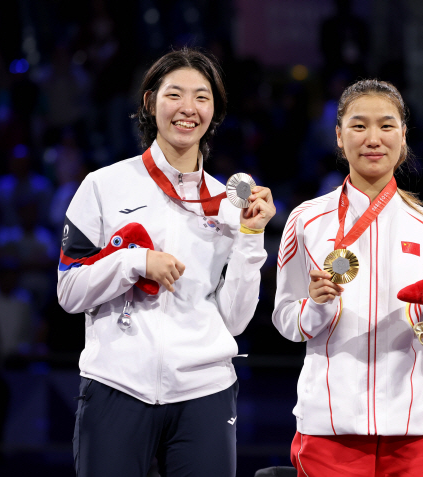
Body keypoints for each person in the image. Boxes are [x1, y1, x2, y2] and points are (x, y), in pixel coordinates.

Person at [57, 48, 275, 477]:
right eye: (175, 95)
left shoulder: (230, 205)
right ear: (150, 102)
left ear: (215, 111)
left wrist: (252, 238)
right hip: (116, 384)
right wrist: (134, 262)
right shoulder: (103, 186)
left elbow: (233, 321)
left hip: (205, 390)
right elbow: (69, 292)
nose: (188, 109)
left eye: (202, 97)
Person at [273, 79, 423, 477]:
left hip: (414, 425)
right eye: (359, 126)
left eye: (386, 126)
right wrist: (316, 306)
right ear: (339, 136)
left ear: (404, 136)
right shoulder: (306, 221)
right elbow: (286, 320)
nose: (373, 138)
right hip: (329, 425)